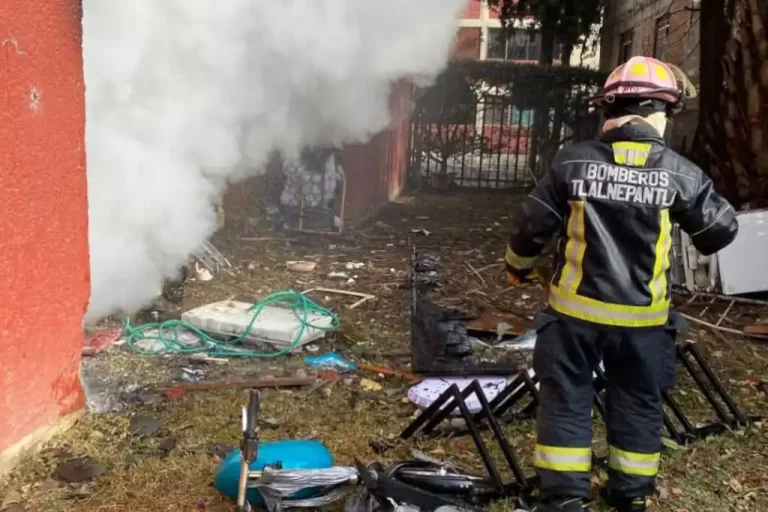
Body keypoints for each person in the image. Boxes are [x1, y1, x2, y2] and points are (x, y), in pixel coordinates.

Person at [503, 56, 738, 512]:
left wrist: (518, 267)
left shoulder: (571, 162)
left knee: (567, 400)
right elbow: (719, 232)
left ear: (607, 109)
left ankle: (566, 498)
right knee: (637, 401)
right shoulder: (680, 173)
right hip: (645, 325)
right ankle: (630, 496)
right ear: (659, 112)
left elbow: (530, 228)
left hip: (573, 319)